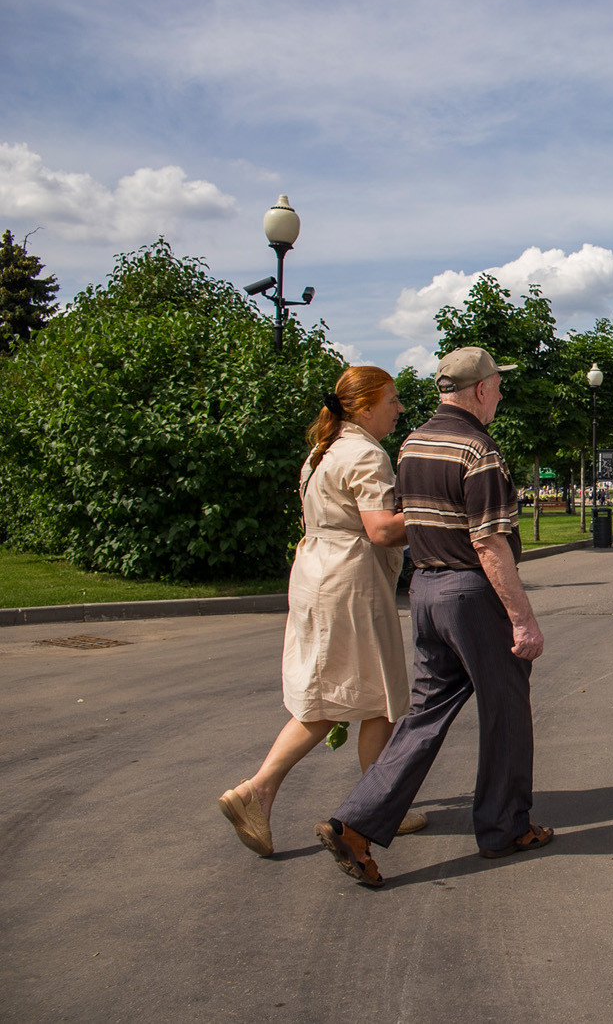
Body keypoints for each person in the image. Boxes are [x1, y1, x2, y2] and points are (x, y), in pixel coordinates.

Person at [316, 347, 551, 887]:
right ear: (481, 389)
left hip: (425, 592)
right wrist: (522, 619)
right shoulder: (479, 450)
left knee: (424, 716)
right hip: (472, 594)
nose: (500, 394)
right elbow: (490, 542)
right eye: (498, 385)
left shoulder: (413, 442)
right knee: (506, 710)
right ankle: (505, 828)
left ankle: (355, 823)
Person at [219, 367, 423, 857]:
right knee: (348, 696)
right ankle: (259, 789)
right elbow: (380, 530)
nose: (399, 409)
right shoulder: (367, 454)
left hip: (317, 573)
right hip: (352, 582)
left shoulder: (322, 450)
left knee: (365, 697)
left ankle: (374, 805)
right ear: (366, 406)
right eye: (392, 400)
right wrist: (433, 512)